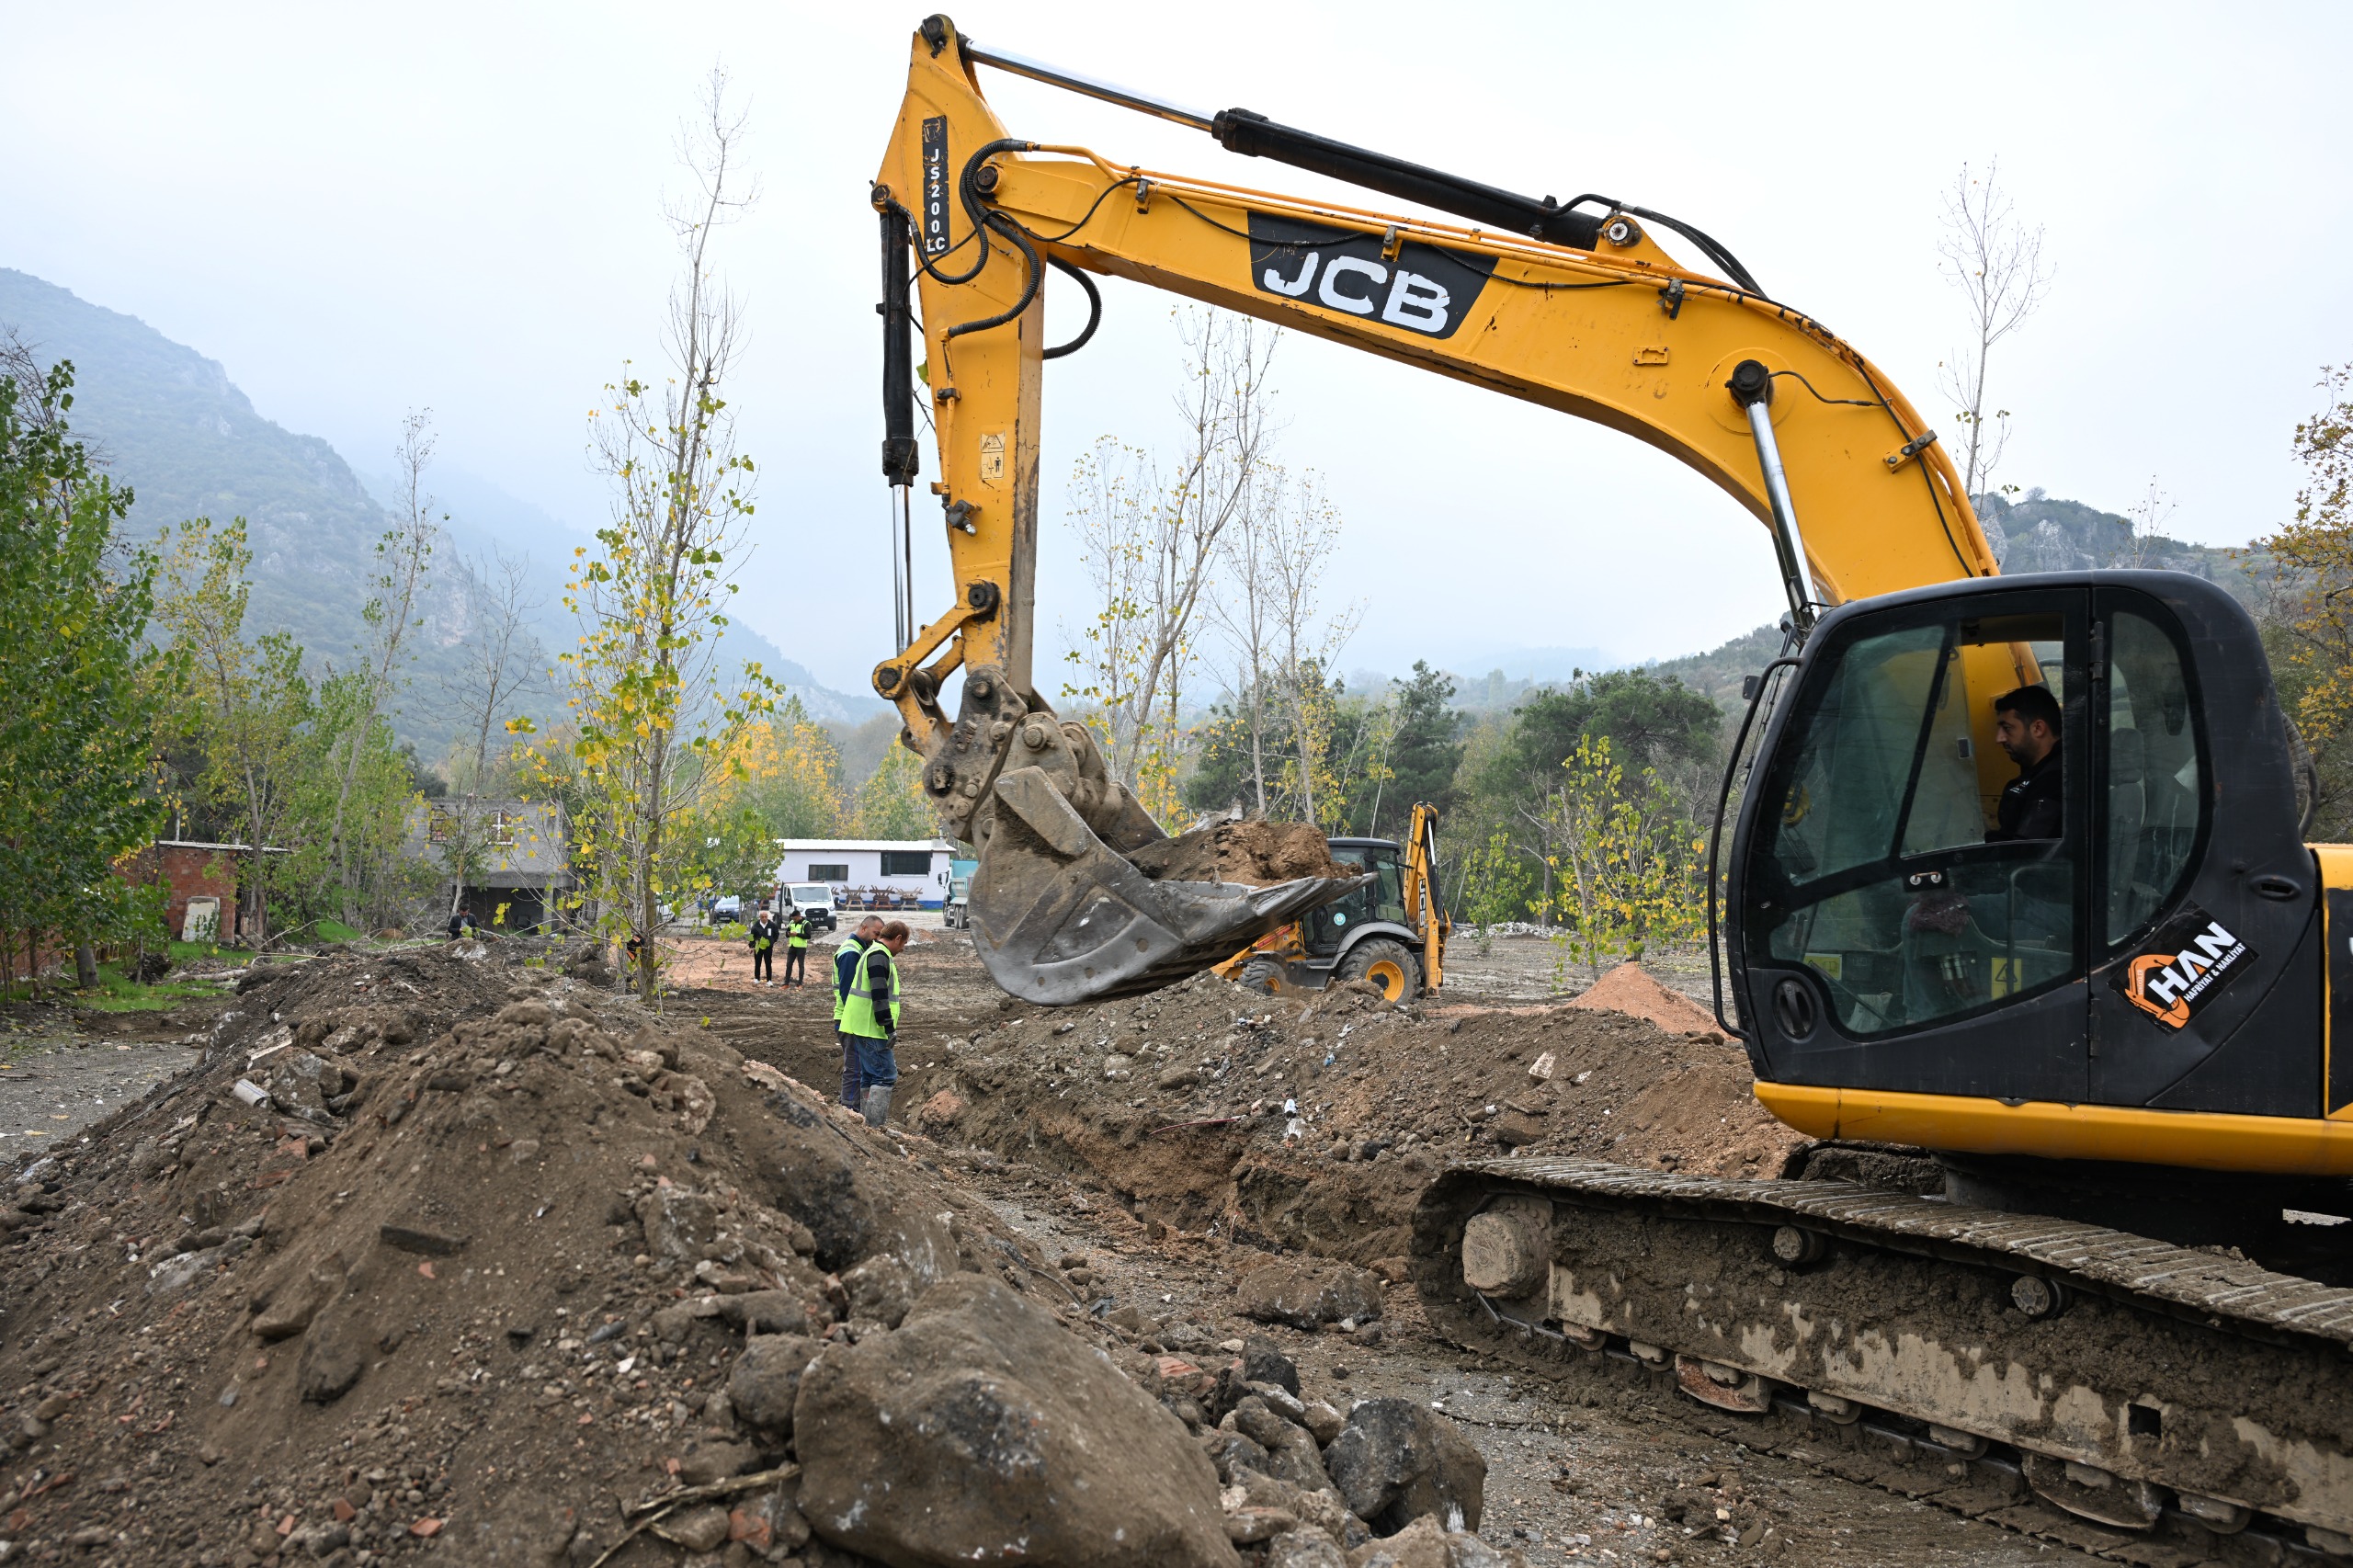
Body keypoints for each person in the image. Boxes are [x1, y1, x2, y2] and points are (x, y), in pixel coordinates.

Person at [841, 919, 908, 1127]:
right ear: (897, 938)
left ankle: (866, 1126)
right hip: (872, 1028)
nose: (903, 949)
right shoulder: (879, 956)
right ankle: (875, 1128)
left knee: (870, 1076)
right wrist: (888, 1027)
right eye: (903, 943)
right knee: (885, 1075)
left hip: (863, 1025)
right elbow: (879, 995)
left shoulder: (874, 953)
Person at [1986, 685, 2063, 842]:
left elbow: (2025, 851)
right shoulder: (2037, 774)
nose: (1999, 738)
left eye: (2007, 728)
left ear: (2037, 728)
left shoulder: (2054, 782)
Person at [834, 915, 882, 1109]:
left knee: (857, 1067)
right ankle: (848, 1110)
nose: (877, 939)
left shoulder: (858, 949)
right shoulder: (850, 953)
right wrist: (857, 1020)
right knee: (854, 1068)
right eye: (875, 933)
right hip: (849, 1019)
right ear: (864, 928)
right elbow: (848, 993)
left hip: (850, 1018)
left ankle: (850, 1107)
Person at [748, 903, 779, 985]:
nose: (764, 918)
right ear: (760, 917)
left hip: (768, 948)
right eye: (762, 917)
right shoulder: (755, 926)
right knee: (758, 963)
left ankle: (769, 980)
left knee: (768, 963)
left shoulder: (772, 925)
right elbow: (752, 937)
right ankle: (757, 978)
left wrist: (772, 941)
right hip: (758, 947)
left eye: (765, 917)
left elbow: (776, 934)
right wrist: (751, 946)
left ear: (767, 917)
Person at [782, 904, 812, 987]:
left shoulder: (806, 924)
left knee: (800, 965)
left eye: (795, 919)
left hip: (801, 948)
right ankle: (786, 983)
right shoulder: (791, 923)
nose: (794, 920)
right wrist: (789, 934)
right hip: (792, 947)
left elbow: (808, 936)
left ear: (799, 917)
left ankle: (800, 983)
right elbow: (787, 934)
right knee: (788, 964)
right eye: (792, 919)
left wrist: (797, 934)